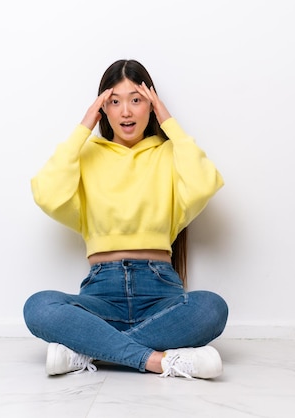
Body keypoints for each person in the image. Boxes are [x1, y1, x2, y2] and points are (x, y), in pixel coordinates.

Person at [23, 59, 228, 379]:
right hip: (100, 295)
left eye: (136, 99)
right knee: (38, 307)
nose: (126, 111)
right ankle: (161, 361)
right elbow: (47, 194)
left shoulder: (170, 154)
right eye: (114, 102)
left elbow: (205, 183)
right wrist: (83, 128)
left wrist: (170, 123)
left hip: (161, 293)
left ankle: (88, 350)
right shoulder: (89, 155)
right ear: (102, 109)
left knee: (212, 308)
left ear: (152, 105)